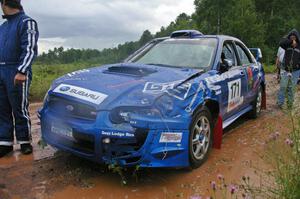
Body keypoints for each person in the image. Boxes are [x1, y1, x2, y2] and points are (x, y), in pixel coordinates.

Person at [0, 0, 39, 157]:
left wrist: (22, 71)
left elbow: (29, 49)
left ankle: (24, 141)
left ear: (4, 3)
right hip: (1, 69)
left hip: (16, 70)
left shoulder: (27, 22)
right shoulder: (3, 27)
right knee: (2, 108)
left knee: (19, 107)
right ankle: (5, 142)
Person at [277, 29, 300, 109]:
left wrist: (298, 65)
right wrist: (290, 42)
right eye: (291, 36)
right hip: (285, 69)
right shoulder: (286, 44)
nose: (293, 38)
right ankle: (280, 103)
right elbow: (281, 43)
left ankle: (290, 104)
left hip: (296, 71)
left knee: (291, 88)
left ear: (297, 37)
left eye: (294, 37)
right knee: (283, 86)